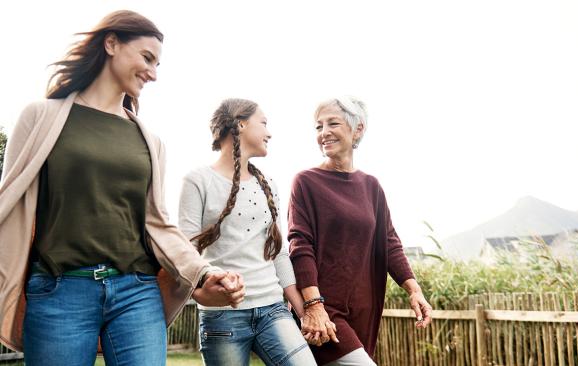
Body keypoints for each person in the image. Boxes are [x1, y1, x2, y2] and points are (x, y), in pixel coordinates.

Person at [0, 10, 244, 366]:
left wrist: (204, 272)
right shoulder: (41, 117)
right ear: (111, 43)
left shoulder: (149, 140)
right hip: (59, 292)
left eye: (158, 64)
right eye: (147, 58)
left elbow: (159, 224)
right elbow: (10, 203)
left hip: (137, 293)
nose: (154, 73)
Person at [288, 96, 434, 365]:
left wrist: (414, 290)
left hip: (363, 311)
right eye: (318, 127)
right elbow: (300, 246)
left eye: (333, 123)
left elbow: (389, 243)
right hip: (325, 312)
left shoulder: (371, 186)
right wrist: (313, 305)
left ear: (358, 129)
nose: (324, 133)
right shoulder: (306, 182)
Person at [178, 98, 317, 366]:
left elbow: (278, 254)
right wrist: (200, 291)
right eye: (263, 123)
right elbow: (186, 254)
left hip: (273, 310)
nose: (269, 132)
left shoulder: (269, 185)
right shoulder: (198, 181)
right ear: (241, 124)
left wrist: (303, 311)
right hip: (222, 315)